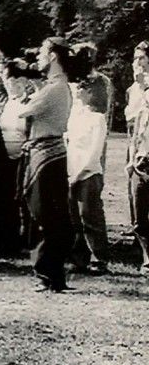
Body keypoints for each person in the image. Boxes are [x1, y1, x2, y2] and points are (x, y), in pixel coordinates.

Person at [17, 37, 75, 292]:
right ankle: (51, 274)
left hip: (47, 154)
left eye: (42, 52)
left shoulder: (54, 89)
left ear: (53, 56)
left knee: (45, 215)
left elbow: (23, 111)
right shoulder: (55, 86)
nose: (37, 58)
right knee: (48, 214)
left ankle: (49, 272)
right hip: (47, 153)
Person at [66, 83, 110, 275]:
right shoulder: (75, 116)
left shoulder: (97, 118)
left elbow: (95, 150)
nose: (77, 91)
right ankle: (79, 258)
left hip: (89, 174)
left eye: (81, 88)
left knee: (90, 217)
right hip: (71, 172)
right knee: (74, 218)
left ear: (90, 92)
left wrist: (80, 173)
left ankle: (99, 258)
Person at [0, 60, 33, 255]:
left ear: (26, 81)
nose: (14, 83)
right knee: (5, 199)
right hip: (4, 158)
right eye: (10, 78)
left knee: (24, 199)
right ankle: (6, 240)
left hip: (24, 157)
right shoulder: (2, 105)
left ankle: (27, 240)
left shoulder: (31, 103)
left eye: (19, 79)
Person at [127, 77, 149, 274]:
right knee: (139, 217)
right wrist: (132, 161)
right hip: (141, 164)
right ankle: (147, 256)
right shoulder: (142, 114)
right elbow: (135, 138)